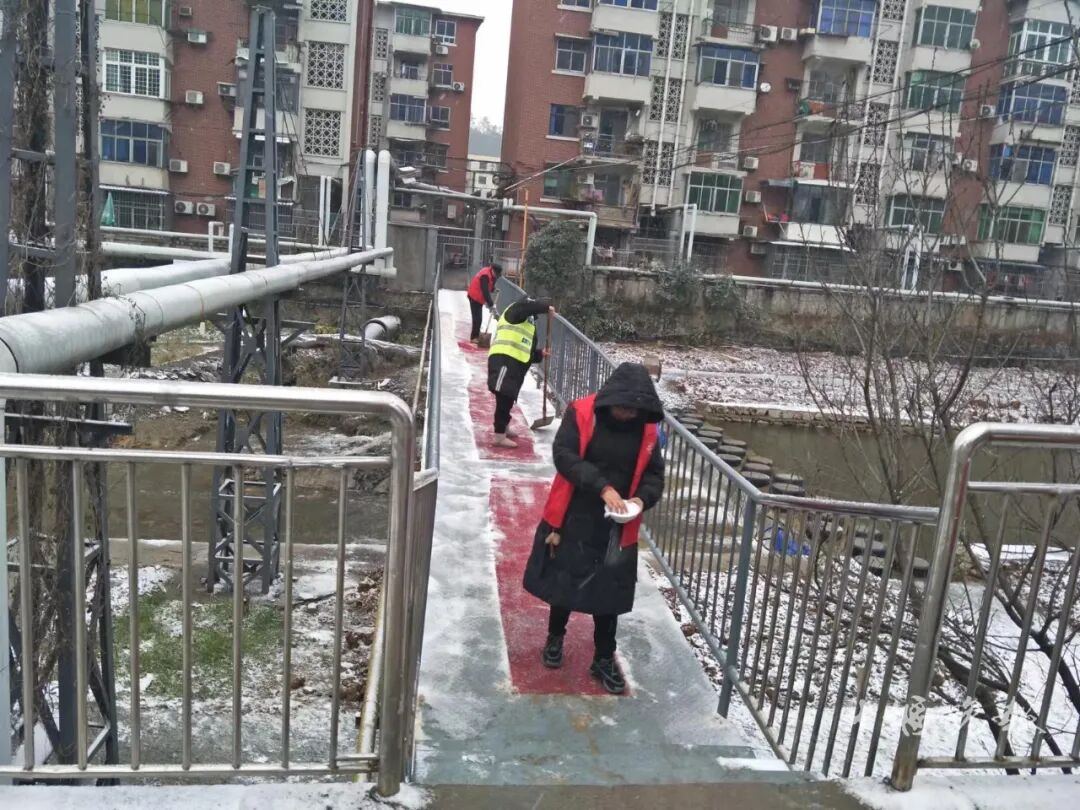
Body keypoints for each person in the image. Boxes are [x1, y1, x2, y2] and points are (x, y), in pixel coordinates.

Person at [522, 363, 665, 694]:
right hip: (575, 512)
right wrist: (602, 487)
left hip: (618, 522)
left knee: (609, 594)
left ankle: (603, 657)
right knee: (564, 582)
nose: (627, 414)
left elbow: (655, 475)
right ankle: (555, 637)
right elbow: (564, 455)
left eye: (633, 410)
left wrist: (641, 499)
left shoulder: (646, 428)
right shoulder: (582, 412)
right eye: (622, 408)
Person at [487, 295, 554, 448]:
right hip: (503, 359)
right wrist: (546, 307)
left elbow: (524, 347)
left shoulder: (527, 323)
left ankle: (503, 426)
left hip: (514, 363)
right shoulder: (515, 310)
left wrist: (539, 354)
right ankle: (499, 435)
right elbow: (527, 307)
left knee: (509, 396)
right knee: (503, 396)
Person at [467, 262, 503, 343]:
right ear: (493, 271)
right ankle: (474, 337)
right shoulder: (485, 275)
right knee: (477, 318)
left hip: (478, 298)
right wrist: (491, 304)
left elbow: (489, 285)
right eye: (497, 274)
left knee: (478, 318)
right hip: (474, 296)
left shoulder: (490, 274)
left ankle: (476, 334)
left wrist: (493, 289)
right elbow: (485, 291)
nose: (497, 277)